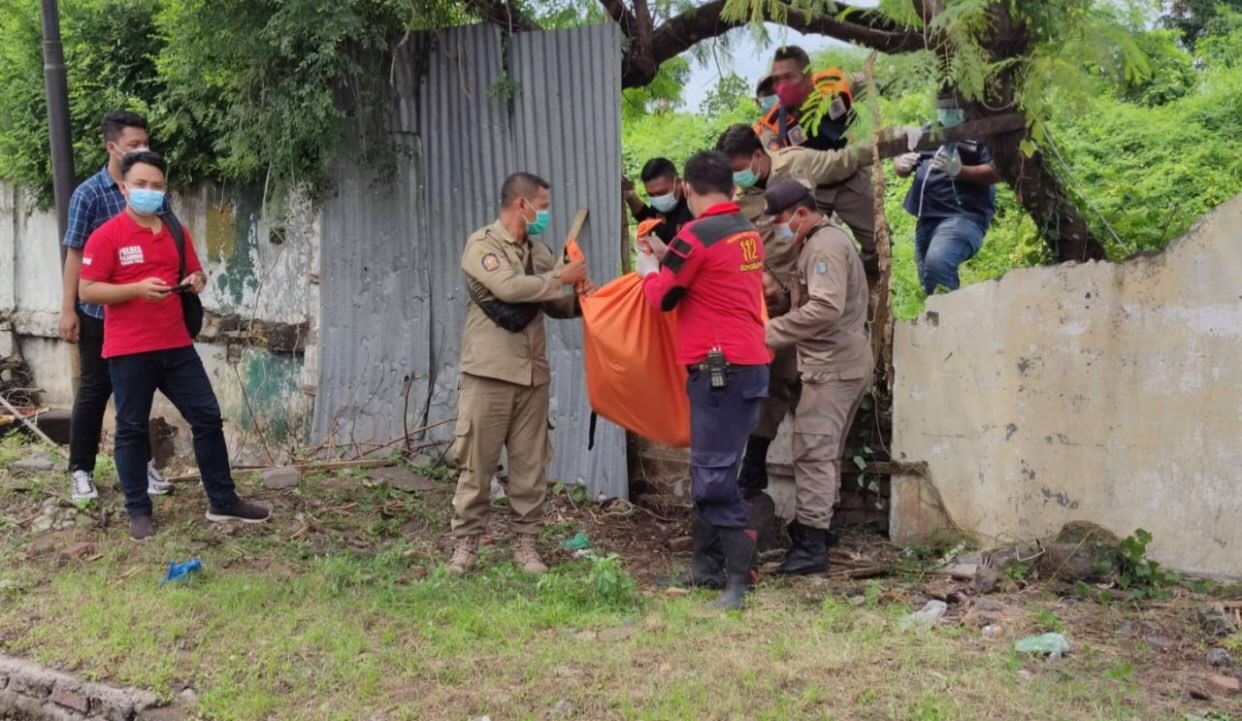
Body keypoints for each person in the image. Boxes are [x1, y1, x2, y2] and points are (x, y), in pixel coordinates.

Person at [78, 151, 271, 541]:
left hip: (176, 345)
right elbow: (87, 289)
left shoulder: (173, 230)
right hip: (129, 349)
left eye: (157, 185)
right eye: (141, 185)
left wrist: (196, 280)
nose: (150, 192)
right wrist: (135, 289)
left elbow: (192, 272)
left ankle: (222, 499)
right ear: (124, 188)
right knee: (131, 429)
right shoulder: (107, 235)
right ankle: (138, 511)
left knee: (207, 417)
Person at [636, 151, 769, 611]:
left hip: (720, 369)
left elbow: (664, 298)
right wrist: (667, 256)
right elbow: (709, 279)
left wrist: (650, 270)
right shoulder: (746, 231)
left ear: (686, 189)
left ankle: (739, 577)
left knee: (712, 477)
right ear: (731, 187)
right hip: (745, 364)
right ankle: (706, 566)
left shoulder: (696, 234)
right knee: (713, 466)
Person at [716, 122, 875, 496]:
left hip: (812, 298)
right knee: (773, 378)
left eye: (740, 166)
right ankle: (756, 458)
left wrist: (895, 143)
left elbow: (844, 161)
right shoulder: (737, 199)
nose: (738, 176)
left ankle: (818, 519)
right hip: (773, 302)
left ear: (758, 156)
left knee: (818, 422)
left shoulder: (798, 166)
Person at [447, 172, 594, 577]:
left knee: (530, 468)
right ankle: (466, 546)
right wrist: (560, 279)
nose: (544, 215)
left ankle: (526, 545)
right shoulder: (483, 245)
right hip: (489, 374)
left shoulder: (539, 251)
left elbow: (551, 304)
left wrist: (582, 301)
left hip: (532, 377)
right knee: (477, 464)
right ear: (520, 205)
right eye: (541, 207)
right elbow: (509, 289)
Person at [761, 179, 873, 574]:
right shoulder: (821, 242)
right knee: (823, 454)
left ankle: (811, 545)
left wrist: (770, 333)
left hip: (833, 368)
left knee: (811, 452)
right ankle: (819, 531)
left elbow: (825, 307)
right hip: (838, 362)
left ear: (801, 214)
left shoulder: (824, 247)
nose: (778, 228)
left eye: (779, 220)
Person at [60, 111, 171, 506]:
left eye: (146, 142)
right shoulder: (89, 194)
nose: (143, 150)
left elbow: (169, 241)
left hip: (142, 318)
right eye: (134, 144)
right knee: (95, 389)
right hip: (99, 316)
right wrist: (68, 309)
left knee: (136, 392)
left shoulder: (153, 191)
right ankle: (81, 471)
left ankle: (141, 466)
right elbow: (75, 255)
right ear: (112, 147)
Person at [755, 46, 877, 269]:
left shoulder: (836, 85)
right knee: (810, 249)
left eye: (788, 77)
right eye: (777, 79)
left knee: (876, 241)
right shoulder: (773, 127)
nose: (782, 85)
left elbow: (875, 84)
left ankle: (870, 280)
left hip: (852, 172)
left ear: (807, 76)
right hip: (814, 187)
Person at [894, 88, 1000, 294]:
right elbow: (900, 167)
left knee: (938, 265)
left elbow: (998, 171)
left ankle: (952, 322)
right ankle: (943, 321)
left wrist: (960, 171)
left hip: (962, 217)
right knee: (929, 282)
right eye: (941, 108)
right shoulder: (930, 130)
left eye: (950, 108)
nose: (945, 113)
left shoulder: (981, 133)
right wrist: (901, 163)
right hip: (926, 220)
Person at [623, 157, 693, 244]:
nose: (657, 199)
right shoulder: (661, 206)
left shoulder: (693, 206)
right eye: (651, 195)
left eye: (662, 193)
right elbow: (649, 220)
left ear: (678, 182)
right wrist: (630, 195)